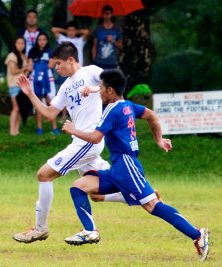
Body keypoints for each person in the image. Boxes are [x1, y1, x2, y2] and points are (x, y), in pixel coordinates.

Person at [61, 69, 209, 262]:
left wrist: (74, 130)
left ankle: (197, 235)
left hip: (126, 166)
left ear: (111, 91)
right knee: (79, 186)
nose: (100, 92)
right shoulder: (128, 105)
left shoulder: (112, 111)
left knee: (152, 206)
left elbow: (96, 138)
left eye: (102, 89)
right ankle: (90, 231)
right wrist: (159, 140)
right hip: (118, 167)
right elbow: (152, 115)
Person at [12, 42, 111, 243]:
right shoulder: (65, 86)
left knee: (43, 174)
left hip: (87, 142)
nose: (56, 68)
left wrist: (91, 89)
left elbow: (112, 84)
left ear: (71, 60)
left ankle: (40, 229)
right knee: (97, 194)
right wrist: (30, 93)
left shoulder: (90, 71)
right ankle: (142, 196)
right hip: (84, 143)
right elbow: (50, 113)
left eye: (58, 64)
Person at [28, 32, 59, 135]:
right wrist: (41, 65)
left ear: (47, 41)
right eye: (40, 39)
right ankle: (39, 127)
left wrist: (38, 64)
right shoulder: (32, 51)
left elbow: (51, 64)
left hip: (47, 78)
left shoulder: (50, 51)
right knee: (38, 102)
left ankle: (54, 127)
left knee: (51, 101)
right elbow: (29, 66)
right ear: (37, 41)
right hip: (35, 78)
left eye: (44, 39)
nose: (42, 42)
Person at [4, 36, 29, 136]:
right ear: (15, 44)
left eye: (22, 43)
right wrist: (24, 68)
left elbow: (26, 71)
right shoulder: (11, 56)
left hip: (22, 85)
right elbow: (13, 71)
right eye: (18, 43)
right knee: (16, 108)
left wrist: (26, 69)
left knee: (20, 108)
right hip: (14, 84)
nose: (20, 45)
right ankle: (12, 130)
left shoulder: (23, 56)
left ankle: (17, 130)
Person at [91, 5, 123, 69]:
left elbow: (120, 45)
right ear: (102, 15)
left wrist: (113, 41)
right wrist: (93, 60)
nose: (106, 15)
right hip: (99, 62)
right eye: (104, 13)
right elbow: (94, 46)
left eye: (108, 13)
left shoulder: (117, 29)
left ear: (111, 14)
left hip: (112, 62)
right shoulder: (98, 29)